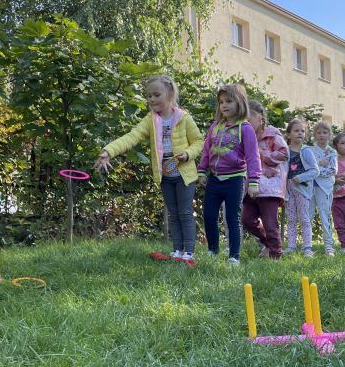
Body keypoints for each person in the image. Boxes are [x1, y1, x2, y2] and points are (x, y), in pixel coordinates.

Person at [96, 75, 203, 261]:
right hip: (165, 176)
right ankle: (177, 250)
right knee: (173, 214)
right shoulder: (151, 120)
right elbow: (132, 136)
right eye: (149, 96)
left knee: (185, 212)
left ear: (170, 94)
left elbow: (199, 141)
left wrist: (187, 154)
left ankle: (189, 252)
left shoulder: (183, 118)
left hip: (184, 175)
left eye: (156, 95)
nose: (151, 99)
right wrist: (109, 151)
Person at [197, 83, 261, 265]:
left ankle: (234, 255)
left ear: (240, 102)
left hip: (235, 179)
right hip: (214, 178)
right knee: (209, 215)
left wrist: (254, 181)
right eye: (221, 102)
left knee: (232, 217)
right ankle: (213, 250)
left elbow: (253, 156)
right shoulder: (215, 127)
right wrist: (202, 171)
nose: (224, 105)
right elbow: (207, 151)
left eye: (229, 101)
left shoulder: (245, 128)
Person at [241, 100, 289, 260]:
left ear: (260, 118)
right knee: (247, 220)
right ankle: (268, 243)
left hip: (270, 187)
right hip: (252, 186)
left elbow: (284, 153)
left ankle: (276, 255)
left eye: (249, 119)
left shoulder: (272, 134)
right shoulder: (245, 136)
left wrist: (263, 156)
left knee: (270, 224)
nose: (246, 122)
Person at [284, 117, 319, 257]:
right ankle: (291, 246)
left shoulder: (307, 151)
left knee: (304, 218)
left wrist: (301, 177)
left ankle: (307, 248)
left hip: (302, 190)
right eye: (296, 130)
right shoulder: (285, 151)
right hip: (288, 190)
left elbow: (315, 171)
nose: (300, 133)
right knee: (291, 218)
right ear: (288, 134)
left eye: (302, 131)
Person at [308, 120, 338, 256]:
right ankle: (307, 245)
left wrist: (316, 169)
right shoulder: (310, 151)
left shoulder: (332, 152)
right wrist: (319, 164)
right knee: (308, 215)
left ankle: (329, 246)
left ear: (329, 135)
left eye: (325, 132)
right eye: (318, 132)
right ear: (314, 135)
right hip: (310, 187)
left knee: (325, 215)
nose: (321, 135)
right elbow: (307, 167)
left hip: (324, 187)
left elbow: (333, 170)